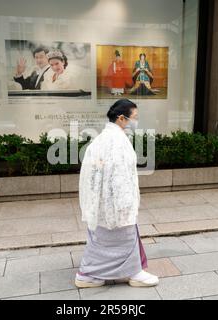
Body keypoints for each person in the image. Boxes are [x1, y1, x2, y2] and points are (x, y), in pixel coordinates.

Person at [75, 99, 159, 289]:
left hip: (103, 202)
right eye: (134, 117)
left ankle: (90, 274)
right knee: (124, 236)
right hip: (115, 203)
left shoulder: (104, 138)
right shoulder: (116, 140)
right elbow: (118, 175)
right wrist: (124, 205)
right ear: (122, 118)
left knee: (100, 241)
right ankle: (133, 272)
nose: (136, 121)